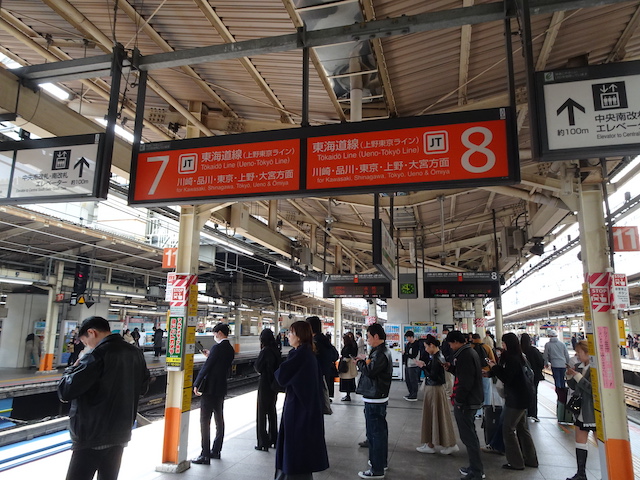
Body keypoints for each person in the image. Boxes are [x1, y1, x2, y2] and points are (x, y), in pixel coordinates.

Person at [57, 316, 150, 480]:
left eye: (85, 342)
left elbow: (66, 391)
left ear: (92, 332)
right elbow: (143, 388)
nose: (87, 346)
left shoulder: (96, 355)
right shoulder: (135, 353)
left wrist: (72, 369)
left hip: (92, 434)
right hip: (120, 433)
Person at [274, 321, 329, 480]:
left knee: (294, 450)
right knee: (300, 451)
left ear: (299, 336)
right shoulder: (307, 353)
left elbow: (281, 376)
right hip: (305, 408)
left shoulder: (300, 355)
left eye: (291, 333)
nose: (288, 336)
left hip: (299, 411)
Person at [487, 333, 538, 471]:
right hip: (523, 397)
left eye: (504, 343)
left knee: (508, 429)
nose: (502, 346)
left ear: (508, 344)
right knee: (522, 429)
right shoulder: (519, 356)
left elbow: (507, 378)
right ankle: (531, 459)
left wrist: (493, 367)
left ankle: (516, 463)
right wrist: (492, 371)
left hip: (516, 399)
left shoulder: (512, 359)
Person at [192, 323, 235, 463]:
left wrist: (196, 383)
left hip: (210, 389)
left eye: (215, 333)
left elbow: (207, 367)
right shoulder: (230, 349)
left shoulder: (217, 348)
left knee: (205, 421)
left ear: (220, 333)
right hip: (221, 388)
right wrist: (210, 356)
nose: (214, 336)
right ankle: (216, 450)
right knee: (219, 420)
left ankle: (205, 454)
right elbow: (220, 364)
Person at [444, 330, 484, 480]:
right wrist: (451, 368)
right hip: (472, 399)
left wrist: (459, 401)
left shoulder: (465, 355)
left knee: (469, 437)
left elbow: (466, 382)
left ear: (456, 342)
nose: (450, 347)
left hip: (467, 402)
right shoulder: (468, 352)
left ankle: (477, 471)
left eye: (450, 344)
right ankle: (474, 467)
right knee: (470, 435)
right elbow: (464, 374)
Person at [355, 323, 393, 479]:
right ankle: (380, 462)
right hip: (378, 396)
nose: (367, 340)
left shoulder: (380, 353)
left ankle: (376, 469)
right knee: (380, 432)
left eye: (369, 337)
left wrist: (359, 363)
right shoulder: (382, 351)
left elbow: (370, 372)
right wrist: (365, 360)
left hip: (375, 397)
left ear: (376, 336)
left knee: (375, 434)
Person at [415, 337, 459, 455]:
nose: (425, 349)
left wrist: (423, 367)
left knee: (435, 416)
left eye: (426, 347)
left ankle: (444, 444)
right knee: (436, 416)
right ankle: (434, 443)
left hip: (434, 389)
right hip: (435, 389)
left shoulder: (437, 358)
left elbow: (433, 376)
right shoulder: (437, 356)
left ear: (432, 345)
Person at [565, 340, 596, 480]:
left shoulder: (595, 369)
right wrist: (570, 376)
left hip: (592, 411)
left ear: (587, 352)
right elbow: (573, 386)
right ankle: (581, 473)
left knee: (600, 442)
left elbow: (592, 389)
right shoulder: (578, 366)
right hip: (581, 411)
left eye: (579, 352)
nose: (577, 355)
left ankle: (608, 473)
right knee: (579, 440)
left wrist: (577, 376)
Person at [254, 328, 281, 452]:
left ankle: (262, 442)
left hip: (265, 384)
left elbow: (258, 367)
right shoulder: (276, 350)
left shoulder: (265, 351)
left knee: (261, 414)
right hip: (274, 385)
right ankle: (274, 438)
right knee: (272, 412)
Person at [306, 316, 339, 399]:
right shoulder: (325, 340)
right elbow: (335, 356)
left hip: (316, 377)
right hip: (326, 375)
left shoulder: (314, 343)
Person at [543, 330, 571, 422]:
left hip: (555, 364)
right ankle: (562, 395)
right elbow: (566, 354)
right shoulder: (562, 344)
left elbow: (545, 355)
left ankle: (559, 395)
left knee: (557, 380)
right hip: (563, 364)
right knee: (562, 380)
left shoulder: (548, 345)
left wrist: (545, 363)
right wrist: (568, 364)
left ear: (549, 336)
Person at [520, 333, 544, 422]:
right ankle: (533, 414)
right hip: (535, 376)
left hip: (523, 377)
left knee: (523, 394)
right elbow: (541, 362)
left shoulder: (519, 350)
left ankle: (523, 413)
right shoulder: (534, 350)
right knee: (533, 394)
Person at [471, 333, 496, 415]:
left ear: (472, 339)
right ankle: (487, 410)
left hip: (474, 373)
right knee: (487, 391)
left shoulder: (470, 348)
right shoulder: (487, 347)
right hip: (486, 372)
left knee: (476, 392)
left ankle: (478, 412)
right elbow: (493, 361)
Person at [339, 332, 358, 401]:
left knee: (347, 381)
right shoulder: (352, 345)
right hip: (350, 365)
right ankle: (348, 394)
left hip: (347, 366)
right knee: (349, 380)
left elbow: (347, 356)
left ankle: (348, 395)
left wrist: (343, 359)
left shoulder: (347, 347)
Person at [403, 330, 420, 401]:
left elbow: (414, 355)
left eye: (407, 337)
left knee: (413, 380)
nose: (407, 339)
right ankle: (410, 393)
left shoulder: (416, 344)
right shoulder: (408, 344)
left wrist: (406, 354)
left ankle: (414, 395)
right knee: (408, 380)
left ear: (411, 337)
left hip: (413, 365)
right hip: (407, 364)